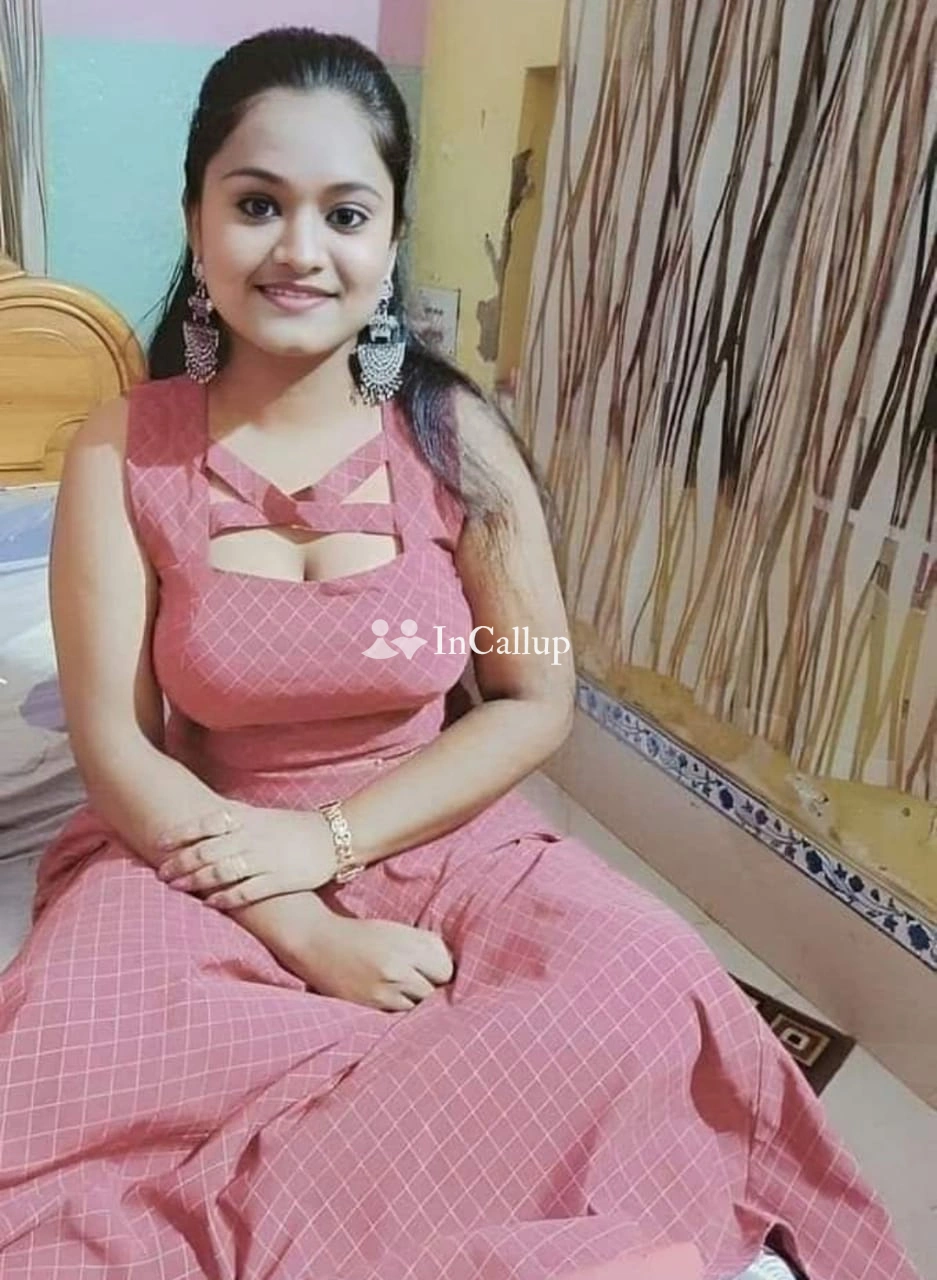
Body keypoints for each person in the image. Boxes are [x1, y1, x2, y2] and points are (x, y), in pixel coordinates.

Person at [0, 26, 920, 1280]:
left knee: (648, 977)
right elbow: (116, 745)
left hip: (444, 839)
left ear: (388, 240)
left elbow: (534, 692)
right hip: (201, 854)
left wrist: (333, 841)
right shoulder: (124, 445)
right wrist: (305, 923)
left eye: (345, 212)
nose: (300, 248)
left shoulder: (454, 436)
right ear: (196, 220)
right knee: (59, 1065)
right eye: (258, 204)